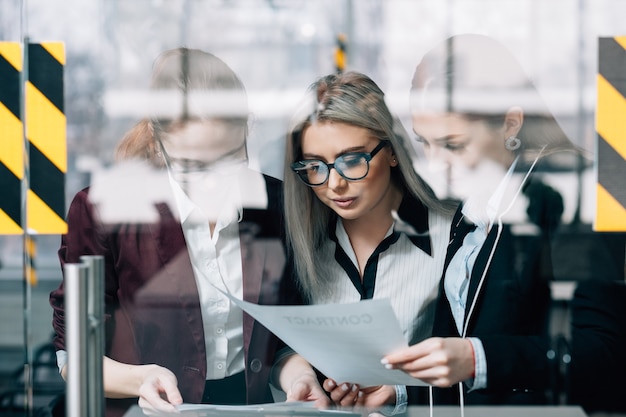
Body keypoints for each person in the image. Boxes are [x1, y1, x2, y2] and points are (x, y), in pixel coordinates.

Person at [49, 47, 296, 417]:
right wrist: (139, 380)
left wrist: (296, 375)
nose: (214, 184)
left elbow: (285, 335)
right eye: (194, 167)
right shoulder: (104, 210)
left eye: (229, 160)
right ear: (159, 146)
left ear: (247, 132)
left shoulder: (276, 205)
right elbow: (76, 356)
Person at [381, 34, 582, 405]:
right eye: (424, 142)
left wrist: (477, 358)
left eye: (452, 144)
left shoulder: (568, 199)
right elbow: (460, 342)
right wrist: (399, 393)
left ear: (510, 124)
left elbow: (600, 353)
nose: (436, 164)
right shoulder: (472, 205)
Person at [272, 71, 455, 413]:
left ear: (393, 151)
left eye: (352, 160)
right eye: (315, 166)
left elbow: (484, 365)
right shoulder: (307, 246)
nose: (335, 184)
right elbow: (281, 346)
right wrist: (303, 375)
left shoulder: (453, 238)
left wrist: (400, 391)